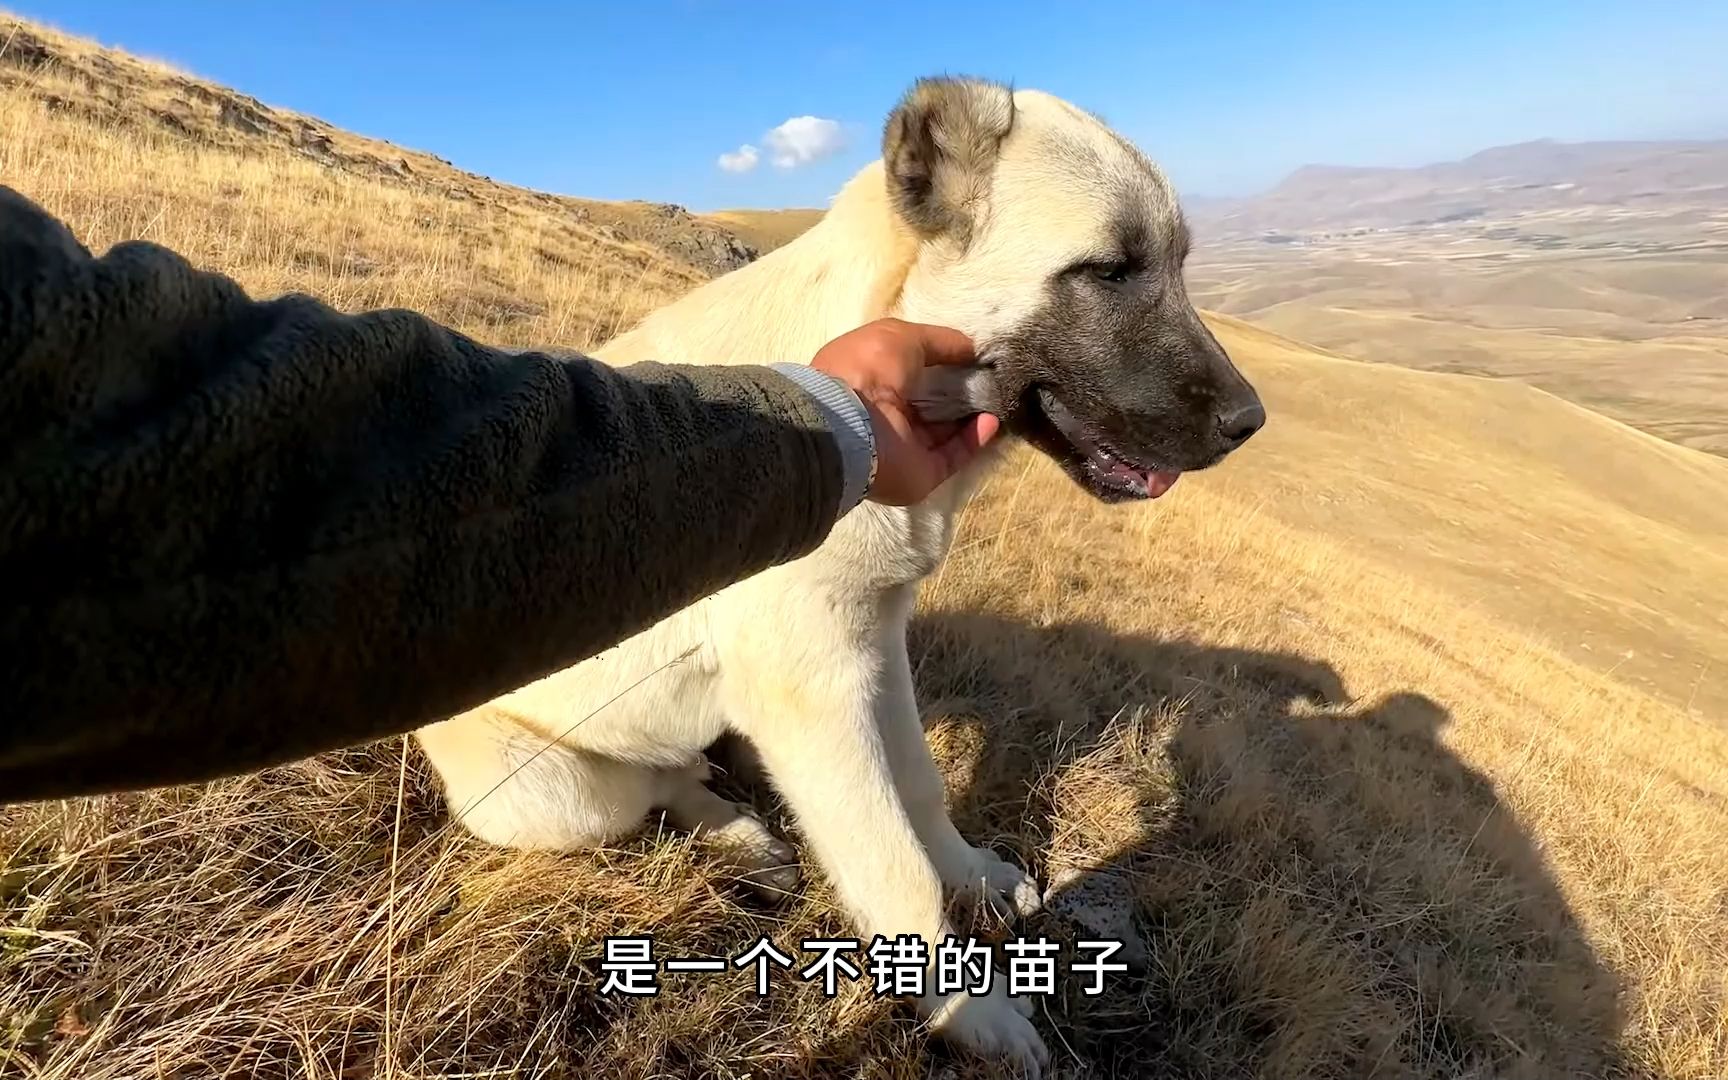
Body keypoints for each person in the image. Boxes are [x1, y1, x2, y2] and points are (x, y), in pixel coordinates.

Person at [0, 185, 1000, 804]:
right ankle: (677, 794)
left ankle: (675, 780)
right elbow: (230, 459)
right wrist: (828, 427)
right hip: (538, 743)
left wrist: (827, 424)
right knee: (580, 808)